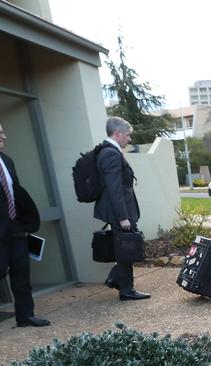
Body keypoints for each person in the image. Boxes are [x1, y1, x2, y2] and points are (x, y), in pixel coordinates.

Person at [0, 113, 50, 327]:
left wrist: (24, 219)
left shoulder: (6, 160)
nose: (4, 135)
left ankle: (25, 316)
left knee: (22, 272)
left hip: (16, 226)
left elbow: (15, 191)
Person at [94, 116, 150, 301]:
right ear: (117, 134)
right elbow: (114, 189)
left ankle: (117, 279)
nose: (129, 139)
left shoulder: (110, 151)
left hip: (119, 211)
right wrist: (123, 217)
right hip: (119, 213)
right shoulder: (110, 153)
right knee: (126, 248)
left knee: (124, 248)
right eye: (127, 135)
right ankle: (126, 289)